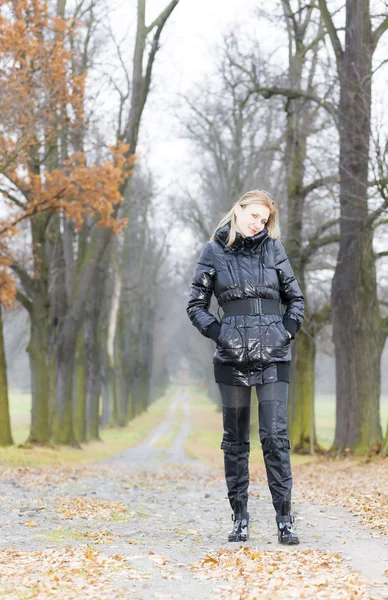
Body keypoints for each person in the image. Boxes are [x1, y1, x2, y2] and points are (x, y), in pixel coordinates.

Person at [186, 190, 304, 545]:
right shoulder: (213, 252)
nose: (258, 224)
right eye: (254, 216)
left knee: (274, 437)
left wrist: (286, 331)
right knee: (235, 442)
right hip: (232, 359)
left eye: (264, 219)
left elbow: (295, 298)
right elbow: (195, 304)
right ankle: (240, 517)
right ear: (237, 210)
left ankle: (284, 519)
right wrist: (220, 333)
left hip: (273, 356)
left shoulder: (274, 250)